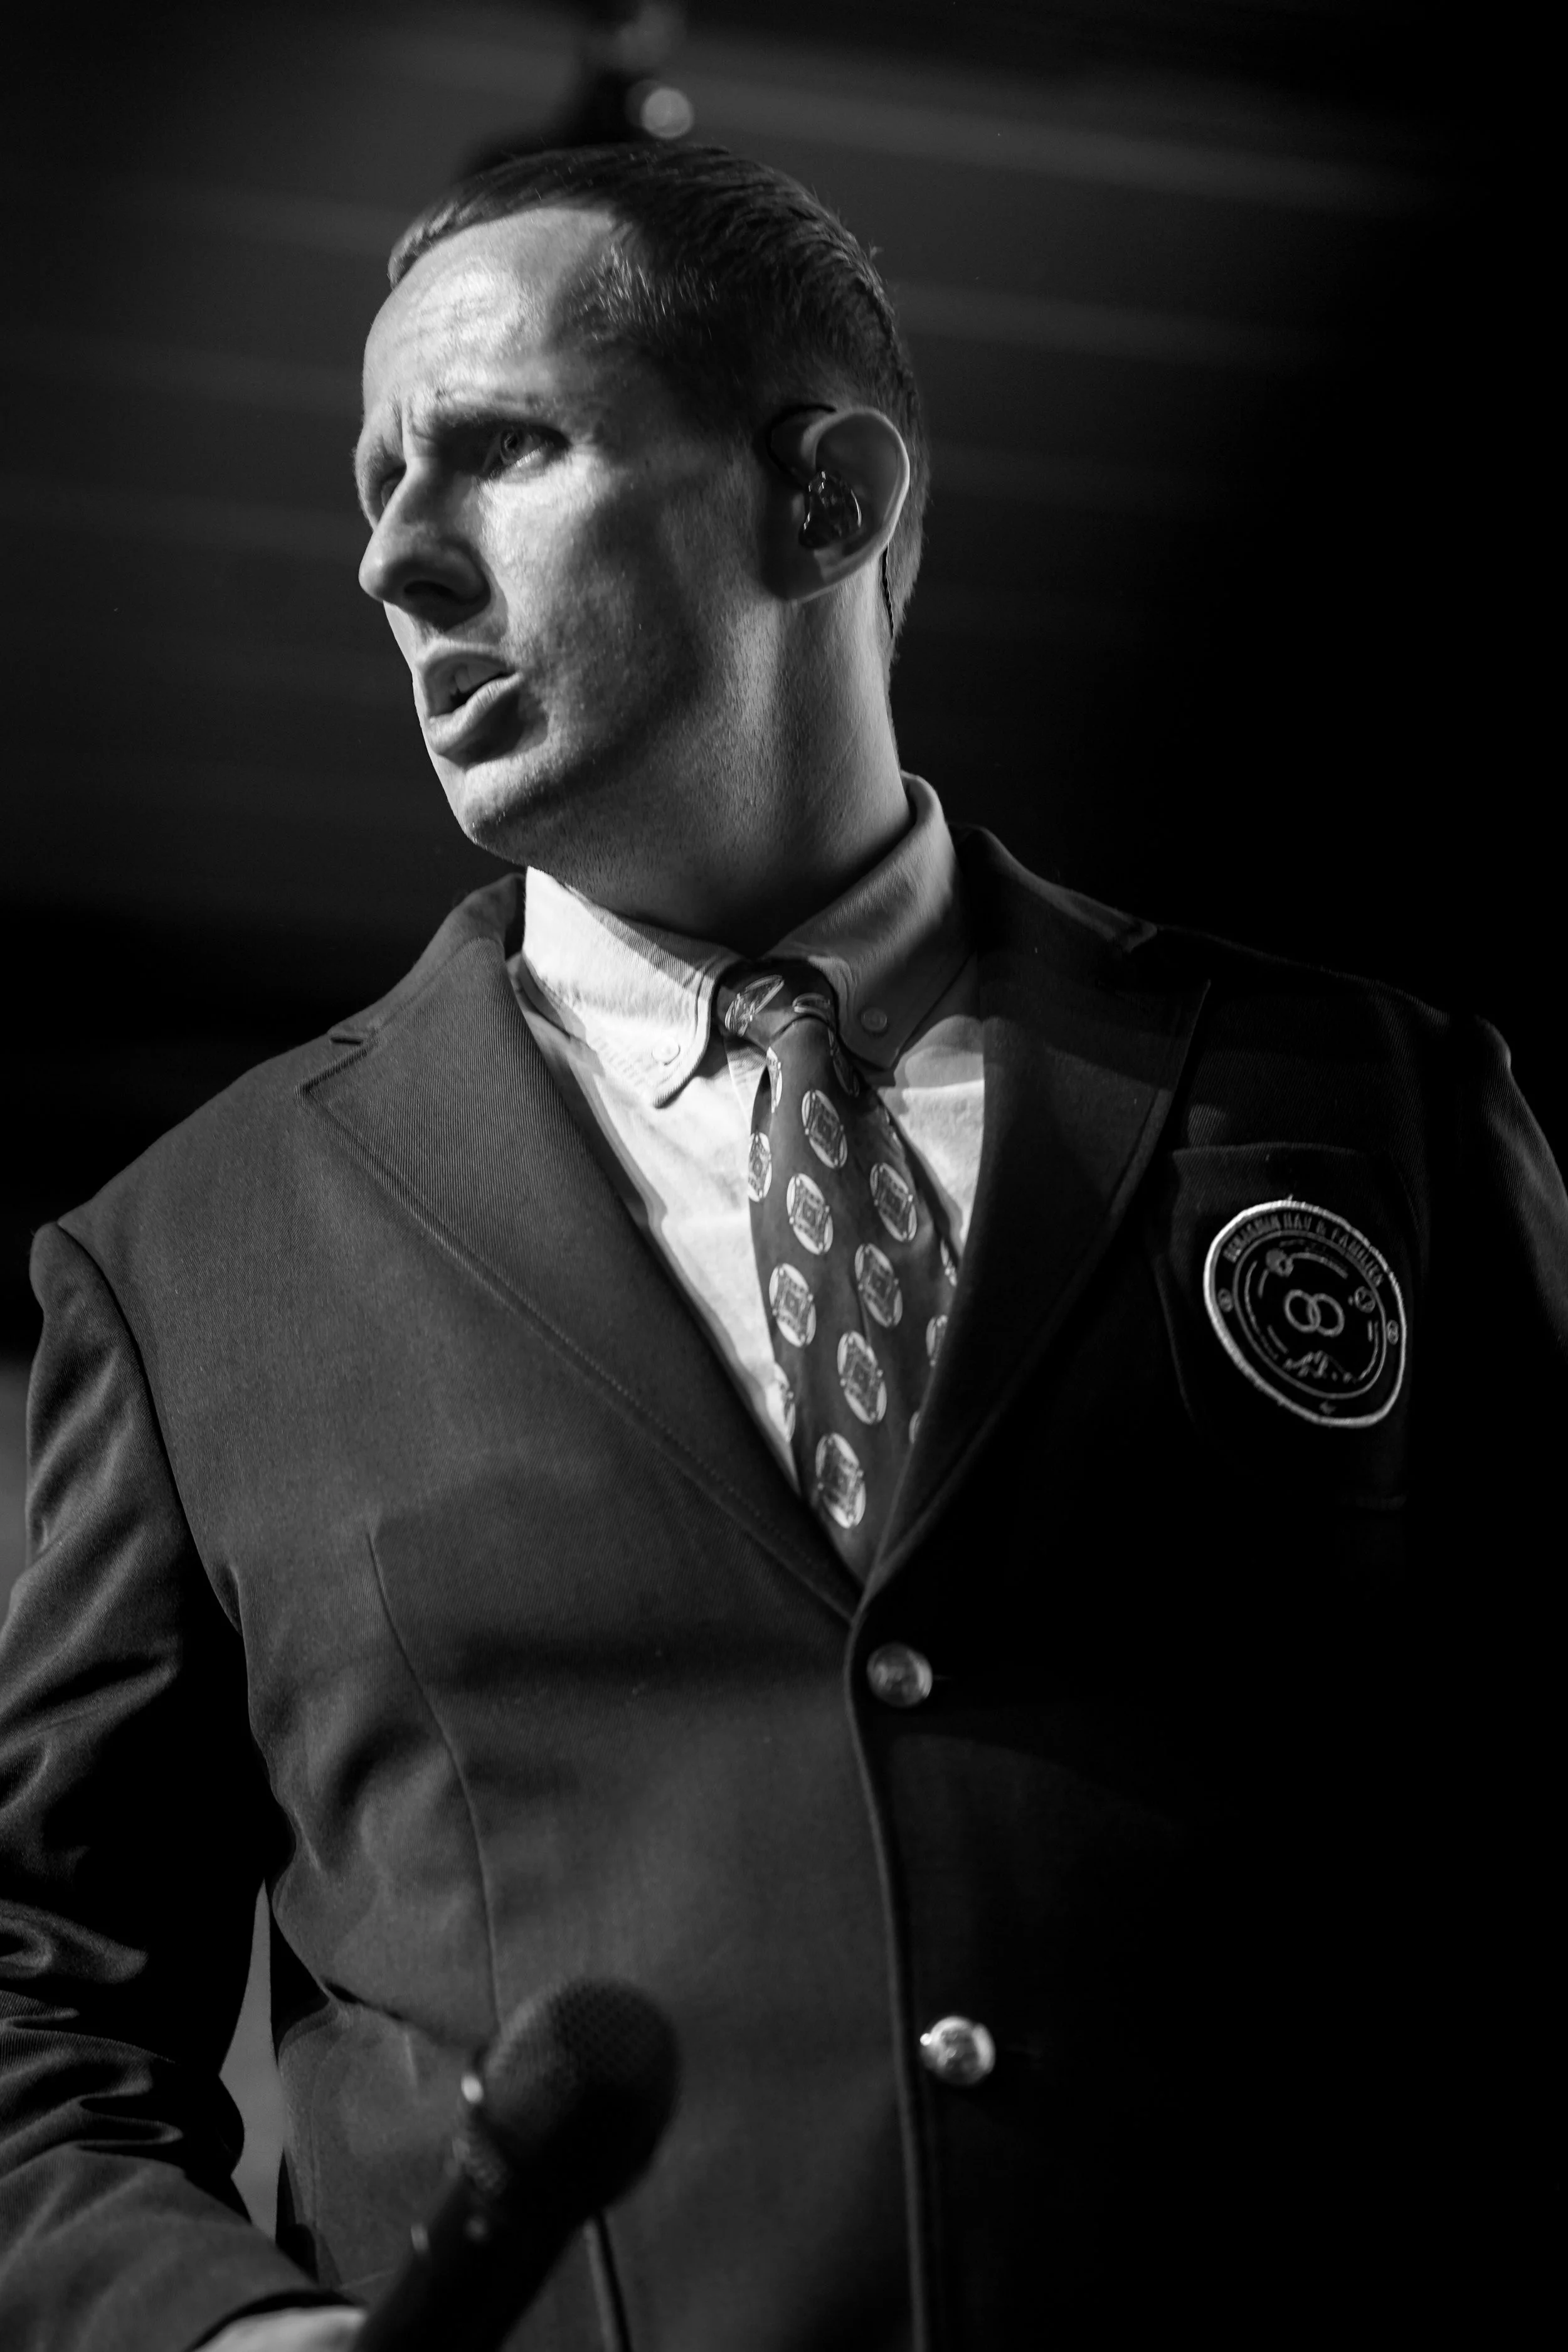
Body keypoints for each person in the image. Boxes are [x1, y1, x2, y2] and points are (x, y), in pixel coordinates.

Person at [0, 143, 1560, 2352]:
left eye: (498, 449)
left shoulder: (1369, 1108)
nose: (390, 557)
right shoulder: (186, 1261)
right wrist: (231, 2337)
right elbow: (38, 2017)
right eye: (374, 482)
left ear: (824, 498)